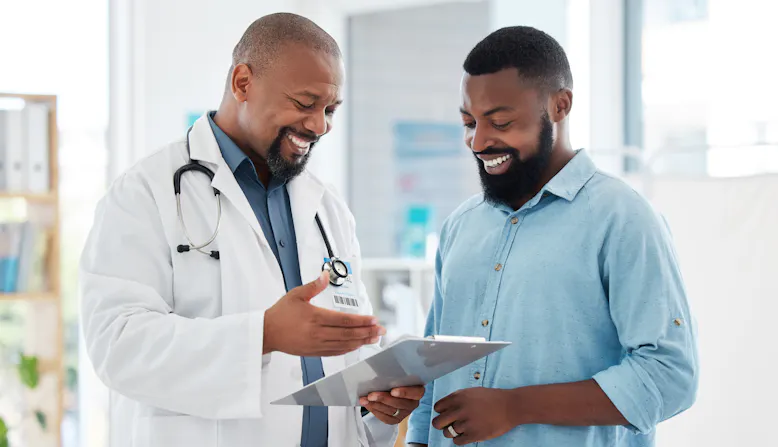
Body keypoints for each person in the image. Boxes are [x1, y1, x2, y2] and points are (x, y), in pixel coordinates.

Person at [79, 13, 423, 447]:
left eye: (329, 109)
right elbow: (117, 344)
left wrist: (376, 399)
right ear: (243, 83)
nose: (320, 126)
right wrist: (264, 334)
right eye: (304, 103)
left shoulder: (328, 207)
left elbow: (346, 350)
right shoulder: (145, 192)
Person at [406, 26, 698, 447]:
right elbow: (436, 362)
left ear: (560, 105)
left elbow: (670, 374)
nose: (479, 141)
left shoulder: (623, 218)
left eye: (501, 121)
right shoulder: (460, 225)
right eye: (469, 122)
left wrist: (516, 406)